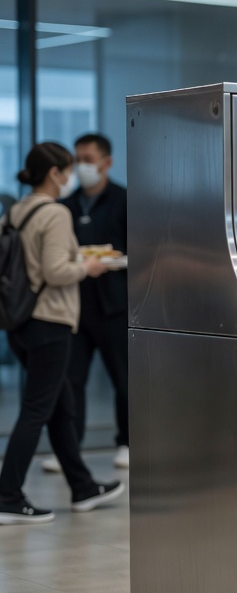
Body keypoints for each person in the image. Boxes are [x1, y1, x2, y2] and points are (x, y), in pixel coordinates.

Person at [0, 143, 124, 524]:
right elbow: (55, 272)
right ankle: (8, 495)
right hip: (50, 323)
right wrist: (87, 267)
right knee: (38, 409)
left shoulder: (17, 211)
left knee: (61, 407)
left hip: (21, 322)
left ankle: (82, 487)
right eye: (68, 170)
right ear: (54, 174)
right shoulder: (54, 213)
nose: (71, 177)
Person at [41, 133, 129, 473]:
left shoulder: (124, 200)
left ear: (107, 162)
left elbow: (142, 251)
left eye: (88, 160)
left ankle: (127, 443)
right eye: (78, 160)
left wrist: (117, 259)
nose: (82, 166)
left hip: (114, 305)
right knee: (69, 382)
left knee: (124, 379)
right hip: (75, 305)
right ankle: (68, 449)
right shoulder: (67, 204)